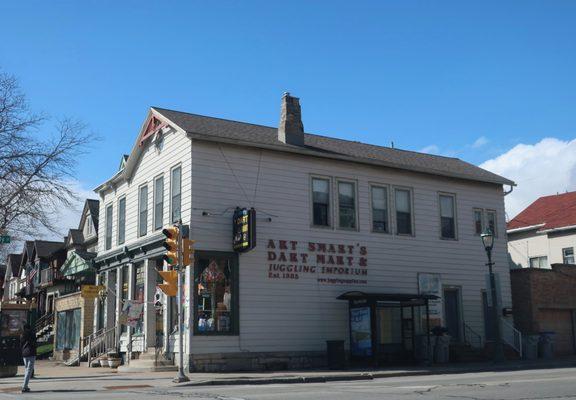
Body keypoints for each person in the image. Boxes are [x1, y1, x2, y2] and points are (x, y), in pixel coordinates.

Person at [20, 323, 36, 393]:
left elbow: (21, 344)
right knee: (29, 371)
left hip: (24, 353)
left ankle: (25, 386)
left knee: (27, 369)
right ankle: (24, 386)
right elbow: (34, 343)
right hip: (31, 353)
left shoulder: (22, 335)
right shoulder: (32, 334)